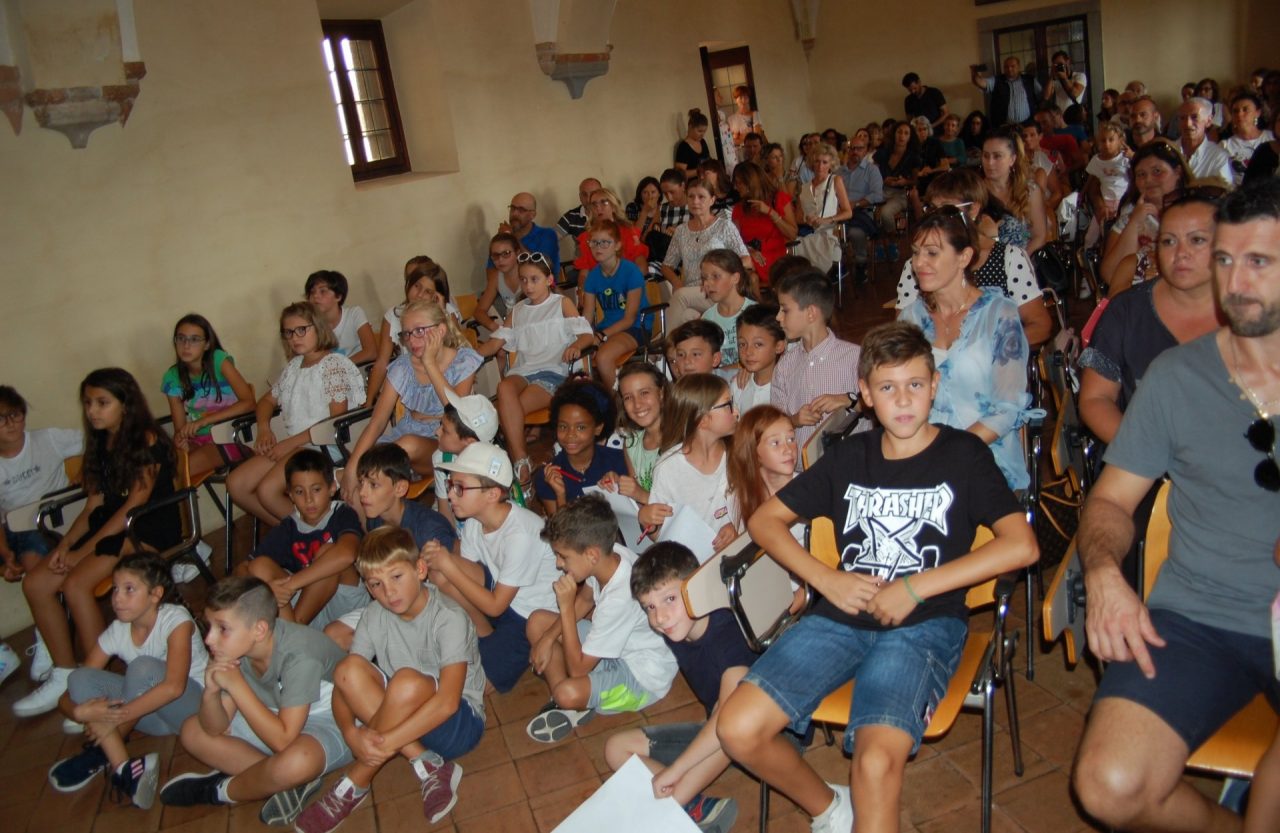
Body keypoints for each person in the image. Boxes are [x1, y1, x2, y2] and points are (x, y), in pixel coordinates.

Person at [717, 320, 1038, 833]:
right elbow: (763, 521)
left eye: (915, 385)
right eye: (887, 388)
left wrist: (915, 586)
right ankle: (829, 809)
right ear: (865, 395)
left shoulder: (963, 454)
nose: (904, 400)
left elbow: (1021, 545)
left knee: (873, 763)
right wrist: (826, 579)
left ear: (935, 386)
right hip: (838, 618)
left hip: (923, 625)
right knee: (737, 728)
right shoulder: (848, 457)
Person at [1070, 178, 1280, 833]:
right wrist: (1103, 572)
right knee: (1107, 784)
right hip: (1200, 614)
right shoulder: (1177, 377)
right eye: (1225, 260)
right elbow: (1109, 500)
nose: (1236, 281)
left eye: (1259, 261)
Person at [293, 526, 486, 833]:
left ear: (420, 569)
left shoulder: (448, 617)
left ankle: (354, 783)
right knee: (347, 670)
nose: (389, 592)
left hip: (459, 722)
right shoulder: (374, 615)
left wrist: (378, 746)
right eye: (376, 584)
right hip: (403, 718)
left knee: (406, 682)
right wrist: (350, 733)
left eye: (397, 577)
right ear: (368, 588)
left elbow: (448, 703)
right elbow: (344, 685)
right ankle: (428, 765)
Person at [16, 368, 180, 718]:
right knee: (36, 582)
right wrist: (66, 546)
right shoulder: (100, 442)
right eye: (88, 403)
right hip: (109, 526)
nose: (93, 411)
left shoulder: (146, 439)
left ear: (126, 404)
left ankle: (95, 685)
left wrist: (81, 553)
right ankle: (64, 672)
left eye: (103, 403)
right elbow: (93, 504)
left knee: (76, 584)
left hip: (145, 527)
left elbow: (134, 505)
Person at [158, 577, 350, 828]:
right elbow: (214, 728)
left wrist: (236, 685)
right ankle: (287, 783)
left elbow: (284, 741)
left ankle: (219, 790)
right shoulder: (236, 649)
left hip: (334, 721)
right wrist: (211, 693)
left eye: (222, 628)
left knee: (296, 760)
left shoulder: (299, 654)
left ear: (259, 630)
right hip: (280, 719)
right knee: (192, 731)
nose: (209, 640)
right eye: (210, 627)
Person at [603, 541, 752, 833]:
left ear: (694, 588)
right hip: (718, 729)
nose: (659, 617)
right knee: (615, 748)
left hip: (758, 735)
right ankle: (694, 807)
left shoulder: (728, 634)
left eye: (670, 599)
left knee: (728, 732)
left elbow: (728, 717)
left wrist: (676, 770)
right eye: (650, 607)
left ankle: (677, 804)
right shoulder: (677, 629)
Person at [47, 553, 206, 808]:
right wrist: (81, 712)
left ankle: (102, 751)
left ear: (155, 594)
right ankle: (124, 767)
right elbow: (67, 694)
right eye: (116, 589)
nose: (117, 598)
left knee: (142, 668)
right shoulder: (118, 630)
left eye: (129, 589)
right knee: (79, 678)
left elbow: (174, 687)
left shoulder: (176, 619)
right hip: (149, 718)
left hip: (192, 710)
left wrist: (112, 719)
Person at [898, 208, 1033, 491]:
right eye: (915, 252)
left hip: (985, 456)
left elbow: (1007, 408)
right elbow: (899, 395)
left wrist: (947, 453)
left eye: (932, 253)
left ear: (964, 257)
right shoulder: (910, 319)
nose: (918, 263)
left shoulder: (1000, 315)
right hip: (922, 457)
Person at [526, 494, 678, 743]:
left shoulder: (620, 596)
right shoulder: (610, 554)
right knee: (537, 623)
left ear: (591, 555)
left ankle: (569, 702)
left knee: (567, 691)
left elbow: (577, 669)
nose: (558, 563)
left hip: (642, 678)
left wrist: (565, 607)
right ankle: (573, 704)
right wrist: (547, 639)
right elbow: (585, 601)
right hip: (614, 651)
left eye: (563, 556)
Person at [1078, 194, 1222, 446]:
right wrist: (1146, 453)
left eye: (1197, 240)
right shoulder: (1128, 309)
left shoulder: (1249, 313)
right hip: (1143, 452)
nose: (1180, 253)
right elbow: (1095, 399)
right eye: (1168, 241)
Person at [425, 442, 560, 693]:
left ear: (492, 495)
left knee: (479, 686)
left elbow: (496, 605)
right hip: (501, 594)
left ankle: (495, 644)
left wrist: (448, 563)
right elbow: (468, 569)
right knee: (440, 571)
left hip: (527, 615)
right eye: (450, 485)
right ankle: (482, 633)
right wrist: (439, 561)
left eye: (459, 488)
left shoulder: (520, 533)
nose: (450, 495)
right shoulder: (476, 520)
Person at [225, 303, 365, 525]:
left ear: (318, 328)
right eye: (288, 333)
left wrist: (289, 444)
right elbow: (265, 402)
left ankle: (314, 534)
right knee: (236, 484)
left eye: (302, 330)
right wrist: (263, 428)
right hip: (295, 445)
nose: (294, 337)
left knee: (267, 491)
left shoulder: (333, 365)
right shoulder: (294, 367)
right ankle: (295, 533)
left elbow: (333, 423)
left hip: (323, 446)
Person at [321, 441, 459, 651]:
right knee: (333, 635)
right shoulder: (376, 520)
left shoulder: (429, 529)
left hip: (428, 612)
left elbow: (447, 594)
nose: (363, 494)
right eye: (361, 483)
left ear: (400, 488)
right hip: (391, 602)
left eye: (373, 485)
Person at [341, 300, 481, 502]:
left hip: (445, 444)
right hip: (403, 441)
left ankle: (382, 475)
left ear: (441, 330)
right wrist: (351, 466)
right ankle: (375, 529)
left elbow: (456, 414)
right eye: (406, 333)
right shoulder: (402, 367)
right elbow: (377, 422)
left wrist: (429, 363)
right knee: (358, 474)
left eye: (419, 331)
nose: (412, 340)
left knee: (404, 447)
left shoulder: (462, 360)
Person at [476, 251, 594, 491]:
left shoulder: (561, 303)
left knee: (508, 409)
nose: (527, 285)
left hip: (552, 372)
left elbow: (587, 334)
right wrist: (467, 357)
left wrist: (576, 345)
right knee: (504, 386)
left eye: (534, 279)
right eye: (523, 279)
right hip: (523, 372)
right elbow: (496, 342)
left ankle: (519, 464)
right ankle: (522, 461)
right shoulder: (518, 310)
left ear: (549, 279)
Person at [895, 169, 1052, 347]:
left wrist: (994, 349)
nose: (937, 217)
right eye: (931, 209)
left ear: (974, 209)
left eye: (947, 209)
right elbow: (902, 336)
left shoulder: (1008, 258)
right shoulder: (919, 265)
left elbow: (1040, 325)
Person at [235, 449, 366, 628]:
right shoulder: (289, 526)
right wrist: (266, 591)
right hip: (309, 607)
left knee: (327, 553)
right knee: (259, 565)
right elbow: (242, 570)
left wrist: (290, 585)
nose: (309, 499)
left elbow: (347, 554)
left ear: (332, 488)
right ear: (290, 495)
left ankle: (293, 634)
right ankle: (294, 635)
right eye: (299, 492)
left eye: (316, 490)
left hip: (344, 605)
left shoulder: (342, 514)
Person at [640, 374, 739, 554]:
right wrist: (650, 524)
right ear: (703, 420)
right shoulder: (668, 469)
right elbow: (662, 534)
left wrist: (736, 526)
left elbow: (757, 506)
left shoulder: (739, 453)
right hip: (694, 566)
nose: (737, 411)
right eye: (728, 406)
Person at [771, 268, 861, 457]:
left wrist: (847, 399)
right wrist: (795, 420)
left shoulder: (855, 358)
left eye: (785, 310)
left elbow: (878, 408)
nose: (778, 317)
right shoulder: (784, 366)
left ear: (811, 313)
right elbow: (774, 421)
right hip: (802, 472)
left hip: (849, 465)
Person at [0, 386, 82, 584]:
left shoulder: (47, 439)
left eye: (15, 415)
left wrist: (84, 473)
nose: (11, 424)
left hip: (58, 516)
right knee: (28, 557)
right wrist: (5, 556)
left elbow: (98, 441)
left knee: (36, 564)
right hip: (16, 527)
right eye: (1, 418)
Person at [163, 314, 254, 479]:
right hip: (199, 443)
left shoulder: (219, 360)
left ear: (207, 344)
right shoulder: (172, 377)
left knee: (176, 474)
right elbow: (180, 430)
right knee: (163, 468)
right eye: (181, 338)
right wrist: (182, 440)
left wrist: (204, 421)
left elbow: (249, 403)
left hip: (231, 437)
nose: (186, 345)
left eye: (194, 339)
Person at [1101, 141, 1194, 291]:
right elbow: (1110, 275)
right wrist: (1134, 223)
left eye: (1157, 171)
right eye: (1141, 174)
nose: (1149, 180)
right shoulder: (1129, 218)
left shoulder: (1197, 214)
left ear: (1178, 172)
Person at [661, 178, 753, 329]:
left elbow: (747, 260)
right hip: (693, 293)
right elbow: (666, 266)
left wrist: (720, 272)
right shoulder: (681, 231)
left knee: (680, 297)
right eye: (691, 196)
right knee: (686, 316)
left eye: (701, 197)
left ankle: (665, 349)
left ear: (712, 200)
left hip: (718, 287)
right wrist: (676, 282)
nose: (695, 201)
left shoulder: (724, 226)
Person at [366, 258, 461, 403]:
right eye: (416, 286)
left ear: (436, 295)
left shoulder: (446, 312)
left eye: (428, 291)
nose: (419, 295)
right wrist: (369, 402)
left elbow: (457, 350)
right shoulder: (394, 315)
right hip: (412, 384)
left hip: (446, 380)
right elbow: (381, 363)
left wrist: (442, 313)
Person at [533, 379, 627, 514]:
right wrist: (560, 495)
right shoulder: (548, 476)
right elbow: (559, 533)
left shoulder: (618, 461)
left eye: (581, 427)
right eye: (563, 426)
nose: (570, 434)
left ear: (598, 428)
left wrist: (619, 486)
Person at [579, 218, 650, 387]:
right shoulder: (592, 276)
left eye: (605, 242)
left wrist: (600, 336)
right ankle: (593, 399)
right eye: (594, 243)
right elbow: (587, 316)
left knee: (604, 357)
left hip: (636, 327)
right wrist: (581, 337)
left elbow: (629, 318)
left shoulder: (631, 271)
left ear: (617, 245)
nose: (598, 247)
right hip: (607, 327)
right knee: (578, 355)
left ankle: (614, 405)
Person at [429, 392, 499, 533]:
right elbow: (445, 510)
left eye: (445, 431)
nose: (436, 432)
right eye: (440, 425)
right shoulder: (441, 459)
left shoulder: (494, 467)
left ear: (470, 443)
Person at [601, 363, 668, 503]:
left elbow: (684, 506)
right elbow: (636, 498)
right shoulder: (631, 443)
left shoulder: (681, 440)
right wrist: (618, 484)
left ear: (661, 394)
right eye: (628, 397)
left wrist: (640, 494)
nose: (637, 404)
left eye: (644, 393)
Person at [982, 125, 1048, 253]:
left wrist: (1020, 263)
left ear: (1012, 159)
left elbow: (1039, 236)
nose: (990, 163)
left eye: (997, 156)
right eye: (986, 156)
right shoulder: (975, 191)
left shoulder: (1030, 190)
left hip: (1022, 262)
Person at [731, 160, 797, 281]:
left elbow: (792, 234)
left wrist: (770, 212)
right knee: (747, 273)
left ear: (750, 182)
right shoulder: (739, 208)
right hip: (752, 256)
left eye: (739, 183)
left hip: (776, 254)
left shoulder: (778, 199)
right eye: (735, 183)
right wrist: (749, 251)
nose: (736, 187)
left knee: (744, 270)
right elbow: (735, 240)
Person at [572, 188, 650, 280]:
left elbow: (642, 268)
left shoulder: (628, 232)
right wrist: (583, 289)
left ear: (613, 206)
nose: (598, 208)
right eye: (594, 204)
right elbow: (583, 275)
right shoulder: (586, 237)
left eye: (603, 202)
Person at [699, 248, 757, 367]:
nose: (707, 284)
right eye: (704, 278)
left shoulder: (755, 312)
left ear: (735, 278)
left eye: (715, 276)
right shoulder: (707, 318)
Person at [305, 271, 377, 366]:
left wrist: (340, 366)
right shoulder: (310, 326)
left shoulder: (354, 314)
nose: (315, 296)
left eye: (322, 291)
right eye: (312, 292)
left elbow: (371, 353)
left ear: (338, 296)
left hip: (358, 369)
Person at [838, 134, 885, 278]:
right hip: (840, 214)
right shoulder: (839, 172)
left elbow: (878, 195)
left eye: (860, 148)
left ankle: (861, 263)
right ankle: (836, 264)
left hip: (862, 212)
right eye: (852, 149)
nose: (855, 152)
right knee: (827, 232)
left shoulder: (872, 170)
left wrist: (856, 204)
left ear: (866, 151)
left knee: (855, 233)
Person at [731, 303, 786, 413]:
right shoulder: (738, 385)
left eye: (758, 344)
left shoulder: (787, 389)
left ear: (779, 346)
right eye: (742, 344)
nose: (748, 352)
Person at [496, 191, 560, 274]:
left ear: (533, 215)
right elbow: (492, 276)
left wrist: (511, 238)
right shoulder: (502, 238)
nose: (514, 213)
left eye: (521, 210)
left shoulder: (547, 235)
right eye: (513, 208)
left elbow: (539, 271)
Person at [475, 232, 525, 338]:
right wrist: (497, 328)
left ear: (517, 252)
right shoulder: (495, 278)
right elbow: (479, 311)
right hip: (509, 327)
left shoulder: (530, 273)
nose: (500, 260)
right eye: (495, 255)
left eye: (506, 253)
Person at [874, 122, 919, 236]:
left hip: (901, 193)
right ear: (894, 134)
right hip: (881, 189)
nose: (902, 136)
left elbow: (916, 181)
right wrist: (884, 180)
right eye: (899, 132)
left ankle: (894, 239)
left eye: (906, 133)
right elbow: (873, 174)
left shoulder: (913, 157)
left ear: (910, 137)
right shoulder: (882, 153)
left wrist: (904, 182)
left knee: (886, 213)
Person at [1084, 121, 1133, 226]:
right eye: (1103, 140)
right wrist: (1082, 193)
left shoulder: (1124, 158)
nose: (1107, 144)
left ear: (1120, 141)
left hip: (1123, 202)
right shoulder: (1096, 160)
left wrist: (1132, 156)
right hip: (1104, 202)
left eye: (1111, 140)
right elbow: (1091, 179)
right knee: (1091, 236)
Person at [972, 56, 1041, 126]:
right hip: (1004, 126)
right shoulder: (997, 80)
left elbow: (1042, 95)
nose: (1009, 69)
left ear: (1019, 67)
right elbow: (980, 83)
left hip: (1027, 124)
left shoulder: (1029, 80)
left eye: (1012, 66)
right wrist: (974, 72)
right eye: (1006, 67)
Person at [1177, 98, 1233, 184]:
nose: (1187, 124)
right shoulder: (1167, 151)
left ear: (1209, 121)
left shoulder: (1218, 157)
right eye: (1183, 118)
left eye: (1194, 117)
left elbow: (1225, 193)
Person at [1223, 92, 1275, 187]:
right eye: (1235, 111)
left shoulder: (1272, 138)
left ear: (1257, 113)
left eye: (1245, 109)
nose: (1240, 114)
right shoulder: (1225, 145)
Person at [556, 177, 603, 253]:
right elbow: (551, 239)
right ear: (580, 196)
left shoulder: (611, 214)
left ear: (602, 194)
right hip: (582, 263)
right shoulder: (571, 216)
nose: (588, 199)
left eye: (593, 193)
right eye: (584, 194)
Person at [1043, 49, 1087, 114]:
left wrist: (1064, 78)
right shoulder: (1055, 79)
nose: (1059, 67)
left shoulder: (1079, 76)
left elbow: (1075, 94)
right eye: (1056, 65)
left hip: (1073, 115)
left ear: (1067, 62)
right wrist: (1051, 76)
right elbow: (1046, 97)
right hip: (1059, 117)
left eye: (1060, 64)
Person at [727, 85, 765, 152]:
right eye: (741, 97)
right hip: (737, 153)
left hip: (753, 151)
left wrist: (741, 138)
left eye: (746, 97)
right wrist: (742, 137)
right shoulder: (731, 119)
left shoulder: (755, 114)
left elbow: (757, 137)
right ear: (735, 100)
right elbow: (730, 141)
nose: (743, 100)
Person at [675, 109, 711, 177]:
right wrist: (700, 170)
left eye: (704, 131)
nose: (702, 134)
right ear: (690, 127)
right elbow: (680, 175)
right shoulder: (683, 147)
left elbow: (708, 160)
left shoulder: (702, 142)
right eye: (699, 131)